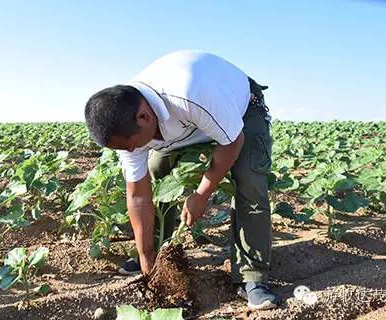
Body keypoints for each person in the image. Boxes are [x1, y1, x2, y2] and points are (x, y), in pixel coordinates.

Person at [84, 50, 280, 310]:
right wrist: (145, 257)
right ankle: (159, 258)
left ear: (144, 117)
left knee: (249, 182)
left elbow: (233, 142)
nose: (130, 152)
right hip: (186, 125)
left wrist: (201, 193)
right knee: (157, 170)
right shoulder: (128, 125)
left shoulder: (190, 93)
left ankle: (252, 277)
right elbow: (138, 195)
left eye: (131, 146)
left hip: (240, 112)